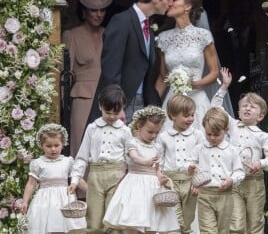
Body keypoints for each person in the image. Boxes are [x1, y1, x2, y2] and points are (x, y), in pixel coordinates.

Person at [87, 0, 174, 124]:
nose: (171, 3)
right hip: (120, 105)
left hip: (141, 103)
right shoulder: (122, 21)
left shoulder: (148, 27)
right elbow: (111, 70)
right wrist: (116, 106)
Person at [211, 68, 268, 234]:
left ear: (260, 116)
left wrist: (260, 163)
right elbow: (215, 107)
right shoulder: (232, 126)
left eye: (253, 107)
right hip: (234, 180)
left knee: (255, 223)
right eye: (244, 106)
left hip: (255, 182)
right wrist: (225, 86)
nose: (247, 108)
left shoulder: (263, 136)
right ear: (238, 112)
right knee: (236, 224)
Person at [103, 106, 180, 233]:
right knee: (133, 220)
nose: (153, 135)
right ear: (139, 126)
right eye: (150, 132)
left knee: (153, 221)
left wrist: (161, 177)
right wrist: (146, 162)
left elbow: (157, 168)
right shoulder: (133, 143)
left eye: (157, 132)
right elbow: (134, 157)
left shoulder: (157, 147)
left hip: (152, 186)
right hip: (135, 184)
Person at [63, 0, 114, 158]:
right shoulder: (72, 35)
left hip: (107, 100)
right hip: (82, 98)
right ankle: (79, 187)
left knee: (106, 149)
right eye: (94, 10)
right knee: (81, 147)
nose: (98, 14)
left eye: (102, 10)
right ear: (84, 11)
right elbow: (65, 74)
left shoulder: (108, 33)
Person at [69, 84, 131, 234]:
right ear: (100, 105)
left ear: (122, 107)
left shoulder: (125, 131)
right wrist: (75, 180)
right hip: (95, 176)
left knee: (113, 221)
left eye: (115, 113)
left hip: (117, 176)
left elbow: (130, 159)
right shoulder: (92, 128)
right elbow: (82, 157)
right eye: (107, 112)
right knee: (94, 222)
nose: (111, 116)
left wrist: (128, 179)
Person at [155, 0, 219, 130]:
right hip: (172, 102)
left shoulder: (203, 36)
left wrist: (194, 84)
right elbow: (163, 76)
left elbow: (214, 72)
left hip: (197, 100)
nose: (169, 3)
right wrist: (153, 105)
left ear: (187, 6)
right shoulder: (164, 38)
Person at [186, 107, 245, 234]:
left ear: (226, 130)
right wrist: (190, 168)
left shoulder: (232, 150)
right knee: (207, 230)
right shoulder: (199, 148)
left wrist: (231, 180)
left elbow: (240, 172)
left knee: (224, 230)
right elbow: (191, 163)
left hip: (225, 195)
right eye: (208, 134)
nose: (212, 137)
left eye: (217, 134)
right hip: (205, 194)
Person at [21, 123, 87, 233]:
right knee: (44, 226)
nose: (53, 149)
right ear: (42, 145)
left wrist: (90, 191)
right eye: (48, 146)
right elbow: (31, 184)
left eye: (56, 145)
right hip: (44, 201)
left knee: (66, 226)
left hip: (64, 199)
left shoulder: (68, 161)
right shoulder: (38, 163)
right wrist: (25, 202)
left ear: (63, 144)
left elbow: (78, 178)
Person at [157, 94, 204, 233]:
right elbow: (159, 160)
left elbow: (202, 159)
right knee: (175, 219)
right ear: (172, 116)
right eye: (186, 115)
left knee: (187, 219)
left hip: (190, 182)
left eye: (192, 115)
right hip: (170, 182)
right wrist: (159, 176)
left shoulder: (197, 135)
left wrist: (198, 181)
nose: (190, 119)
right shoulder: (164, 137)